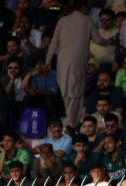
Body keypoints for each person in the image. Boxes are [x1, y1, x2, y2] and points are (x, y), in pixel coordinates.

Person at [45, 0, 108, 129]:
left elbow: (53, 42)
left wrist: (48, 59)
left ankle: (71, 121)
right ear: (83, 7)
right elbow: (98, 40)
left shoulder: (62, 21)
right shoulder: (87, 20)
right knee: (75, 93)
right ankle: (71, 123)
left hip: (62, 61)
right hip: (77, 61)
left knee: (67, 92)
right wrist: (109, 41)